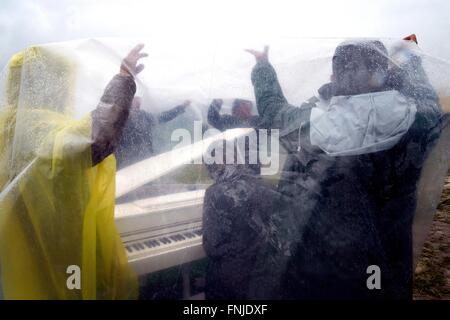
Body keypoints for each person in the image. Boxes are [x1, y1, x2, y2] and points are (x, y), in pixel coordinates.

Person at [246, 37, 443, 299]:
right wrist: (411, 58)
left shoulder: (313, 123)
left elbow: (274, 111)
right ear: (382, 72)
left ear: (336, 75)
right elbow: (429, 100)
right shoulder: (417, 118)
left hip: (325, 265)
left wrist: (263, 67)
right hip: (385, 263)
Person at [0, 43, 147, 299]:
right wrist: (124, 78)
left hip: (20, 251)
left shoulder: (7, 127)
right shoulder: (36, 127)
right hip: (59, 249)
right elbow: (93, 141)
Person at [202, 142, 278, 299]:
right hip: (264, 274)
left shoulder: (215, 193)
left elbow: (211, 247)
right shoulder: (266, 185)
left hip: (231, 282)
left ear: (217, 164)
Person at [115, 97, 190, 169]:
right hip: (126, 163)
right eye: (134, 99)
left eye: (138, 101)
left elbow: (164, 116)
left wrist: (182, 107)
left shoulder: (144, 116)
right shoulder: (120, 118)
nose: (138, 101)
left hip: (144, 160)